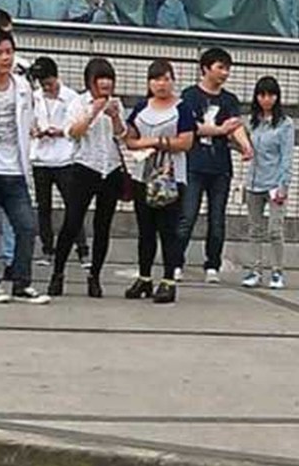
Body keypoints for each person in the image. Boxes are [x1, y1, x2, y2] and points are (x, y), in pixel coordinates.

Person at [0, 28, 49, 303]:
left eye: (9, 52)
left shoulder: (22, 86)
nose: (6, 58)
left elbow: (36, 112)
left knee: (26, 226)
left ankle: (22, 282)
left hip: (14, 167)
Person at [48, 58, 126, 298]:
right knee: (72, 222)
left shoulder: (117, 103)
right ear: (91, 81)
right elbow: (73, 132)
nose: (106, 84)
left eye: (109, 79)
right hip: (84, 168)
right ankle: (58, 273)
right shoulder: (78, 103)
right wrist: (93, 111)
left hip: (110, 169)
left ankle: (95, 276)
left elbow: (122, 135)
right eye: (101, 79)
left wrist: (114, 116)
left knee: (102, 226)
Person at [176, 48, 253, 283]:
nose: (225, 73)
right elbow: (191, 127)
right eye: (220, 67)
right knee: (187, 216)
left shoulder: (229, 100)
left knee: (217, 218)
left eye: (227, 68)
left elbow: (236, 126)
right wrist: (220, 130)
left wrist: (246, 146)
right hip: (193, 164)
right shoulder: (189, 95)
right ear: (206, 68)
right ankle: (175, 262)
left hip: (220, 167)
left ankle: (212, 265)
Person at [124, 59, 195, 304]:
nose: (161, 84)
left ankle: (168, 280)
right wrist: (147, 143)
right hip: (143, 175)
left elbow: (186, 142)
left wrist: (157, 143)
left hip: (172, 176)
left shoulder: (182, 109)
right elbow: (130, 139)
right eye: (156, 79)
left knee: (168, 231)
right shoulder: (142, 107)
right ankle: (144, 277)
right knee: (145, 230)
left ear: (173, 80)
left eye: (165, 78)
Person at [28, 56, 88, 267]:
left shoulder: (71, 97)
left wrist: (60, 131)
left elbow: (77, 126)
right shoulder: (34, 97)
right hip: (41, 158)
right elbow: (29, 120)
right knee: (43, 207)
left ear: (56, 77)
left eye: (49, 83)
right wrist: (34, 130)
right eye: (43, 84)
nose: (46, 87)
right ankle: (47, 250)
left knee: (73, 206)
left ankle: (82, 249)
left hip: (65, 158)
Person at [241, 76, 294, 290]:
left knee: (275, 230)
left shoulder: (285, 124)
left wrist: (283, 185)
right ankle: (255, 269)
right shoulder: (252, 121)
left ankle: (277, 271)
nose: (266, 99)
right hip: (254, 182)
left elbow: (286, 156)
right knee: (254, 229)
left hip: (274, 184)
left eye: (271, 95)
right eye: (262, 95)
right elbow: (244, 145)